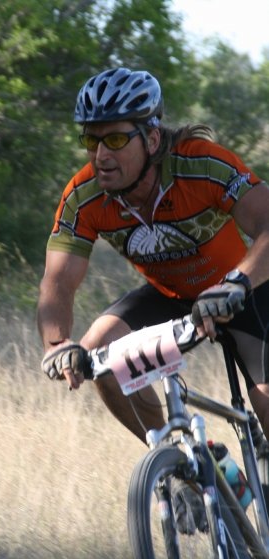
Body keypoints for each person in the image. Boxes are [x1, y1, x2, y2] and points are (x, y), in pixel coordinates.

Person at [37, 67, 269, 446]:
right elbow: (58, 281)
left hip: (243, 290)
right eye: (91, 140)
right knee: (99, 358)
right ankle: (174, 460)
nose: (101, 155)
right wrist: (57, 343)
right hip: (170, 296)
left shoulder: (202, 165)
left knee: (265, 400)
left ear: (152, 138)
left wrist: (237, 283)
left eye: (115, 139)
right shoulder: (84, 196)